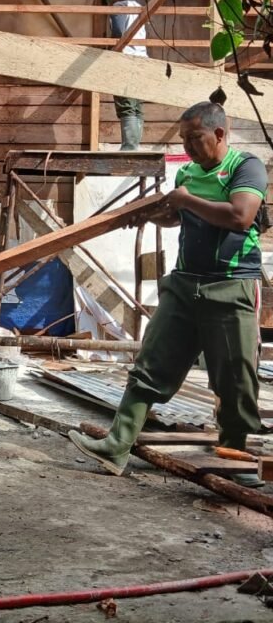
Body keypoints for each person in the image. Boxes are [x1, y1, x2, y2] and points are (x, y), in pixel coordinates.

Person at [69, 101, 267, 488]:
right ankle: (116, 446)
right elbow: (179, 216)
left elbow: (240, 217)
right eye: (184, 141)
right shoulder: (190, 171)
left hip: (231, 286)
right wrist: (146, 213)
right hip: (184, 284)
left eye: (195, 139)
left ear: (220, 134)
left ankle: (238, 459)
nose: (189, 149)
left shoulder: (246, 167)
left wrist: (183, 199)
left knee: (234, 378)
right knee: (151, 365)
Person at [109, 0, 148, 150]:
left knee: (126, 103)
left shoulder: (119, 7)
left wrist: (112, 48)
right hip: (141, 57)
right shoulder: (139, 6)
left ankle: (130, 146)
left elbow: (118, 31)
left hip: (125, 56)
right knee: (136, 104)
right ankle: (134, 145)